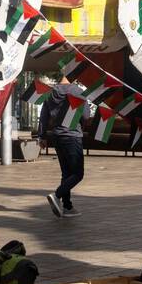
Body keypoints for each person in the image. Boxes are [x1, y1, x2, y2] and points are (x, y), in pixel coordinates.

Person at [39, 74, 92, 217]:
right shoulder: (77, 91)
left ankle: (67, 207)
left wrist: (42, 136)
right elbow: (86, 116)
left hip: (57, 136)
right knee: (78, 174)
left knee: (66, 173)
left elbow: (44, 115)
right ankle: (57, 195)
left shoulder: (50, 92)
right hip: (72, 135)